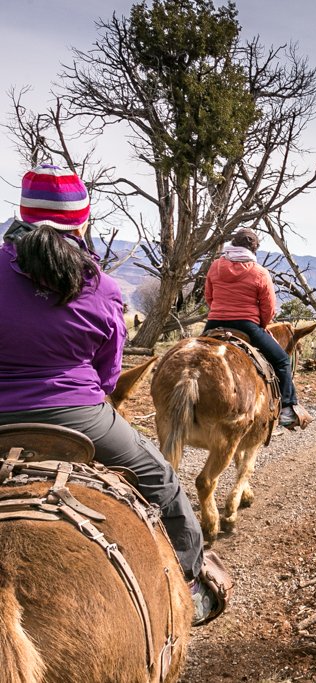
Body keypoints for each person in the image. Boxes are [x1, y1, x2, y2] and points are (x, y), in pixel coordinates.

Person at [0, 164, 225, 626]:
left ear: (21, 211)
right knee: (161, 479)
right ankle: (189, 583)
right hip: (78, 416)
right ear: (81, 220)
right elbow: (107, 376)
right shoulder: (100, 285)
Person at [203, 228, 309, 429]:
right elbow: (268, 308)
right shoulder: (260, 272)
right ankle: (287, 409)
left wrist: (220, 311)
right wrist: (261, 324)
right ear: (254, 249)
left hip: (214, 322)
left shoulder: (216, 266)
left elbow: (209, 296)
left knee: (194, 356)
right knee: (282, 360)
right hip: (247, 325)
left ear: (233, 244)